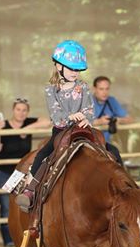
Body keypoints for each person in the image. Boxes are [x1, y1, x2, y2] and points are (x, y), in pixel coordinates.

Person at [14, 40, 94, 212]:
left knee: (109, 150)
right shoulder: (51, 90)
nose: (75, 72)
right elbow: (55, 115)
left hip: (82, 129)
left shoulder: (84, 87)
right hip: (61, 131)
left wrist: (87, 117)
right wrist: (70, 117)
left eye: (78, 69)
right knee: (43, 154)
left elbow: (89, 108)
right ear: (59, 66)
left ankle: (122, 189)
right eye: (72, 68)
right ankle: (30, 190)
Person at [0, 98, 51, 246]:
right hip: (3, 171)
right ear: (13, 110)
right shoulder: (3, 125)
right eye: (18, 110)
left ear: (27, 111)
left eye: (24, 110)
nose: (21, 113)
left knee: (24, 203)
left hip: (21, 172)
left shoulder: (28, 122)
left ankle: (22, 237)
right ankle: (9, 240)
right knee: (6, 205)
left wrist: (24, 129)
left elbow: (47, 121)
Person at [92, 76, 133, 165]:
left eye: (107, 89)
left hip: (105, 144)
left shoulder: (111, 101)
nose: (104, 92)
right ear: (94, 89)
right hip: (89, 143)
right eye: (101, 89)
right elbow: (78, 122)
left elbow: (130, 119)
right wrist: (99, 122)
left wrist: (118, 120)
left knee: (116, 157)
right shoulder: (87, 102)